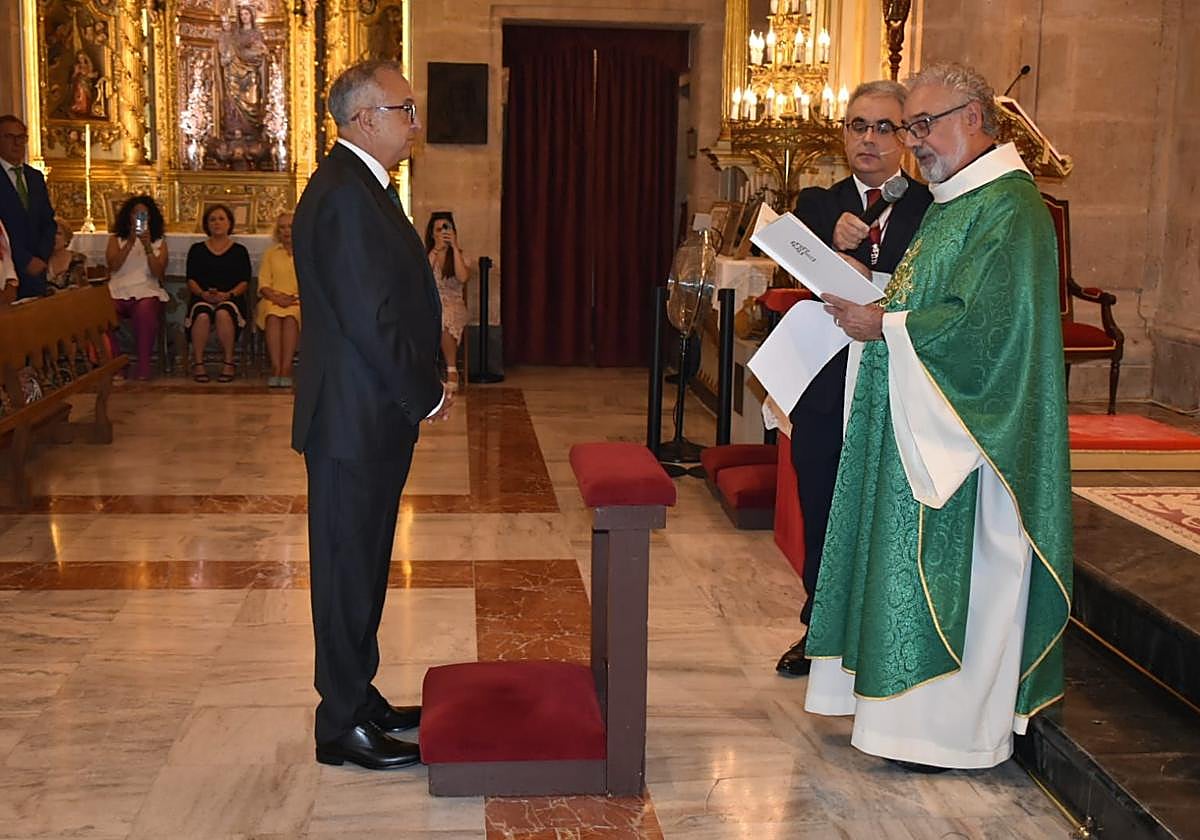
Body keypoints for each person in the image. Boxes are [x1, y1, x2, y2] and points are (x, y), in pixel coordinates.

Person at [807, 62, 1072, 771]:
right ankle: (902, 724)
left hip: (972, 442)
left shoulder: (1010, 208)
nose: (914, 142)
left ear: (975, 118)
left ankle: (949, 733)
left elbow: (986, 329)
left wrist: (886, 326)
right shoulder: (958, 201)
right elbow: (926, 300)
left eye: (924, 125)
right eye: (909, 127)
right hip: (923, 423)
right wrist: (879, 309)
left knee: (968, 581)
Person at [292, 59, 450, 771]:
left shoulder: (363, 187)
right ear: (365, 120)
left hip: (370, 416)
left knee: (363, 564)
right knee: (345, 569)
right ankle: (339, 725)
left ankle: (359, 696)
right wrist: (428, 390)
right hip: (355, 420)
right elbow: (371, 317)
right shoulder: (346, 196)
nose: (415, 122)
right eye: (405, 110)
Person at [776, 80, 932, 678]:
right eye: (857, 126)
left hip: (894, 382)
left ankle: (879, 634)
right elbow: (790, 261)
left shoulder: (930, 207)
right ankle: (817, 629)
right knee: (820, 500)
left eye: (883, 127)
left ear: (908, 139)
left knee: (881, 508)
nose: (868, 138)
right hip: (824, 383)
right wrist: (827, 240)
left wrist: (870, 262)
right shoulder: (818, 203)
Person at [106, 195, 170, 380]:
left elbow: (159, 273)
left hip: (146, 289)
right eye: (135, 214)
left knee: (144, 313)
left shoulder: (159, 242)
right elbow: (113, 266)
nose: (139, 218)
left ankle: (143, 366)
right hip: (118, 289)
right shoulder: (115, 239)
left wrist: (148, 247)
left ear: (151, 218)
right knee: (104, 314)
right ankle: (118, 364)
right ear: (128, 216)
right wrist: (131, 242)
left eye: (144, 215)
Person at [186, 204, 250, 383]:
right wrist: (203, 293)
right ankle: (198, 363)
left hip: (231, 298)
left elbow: (244, 281)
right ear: (207, 224)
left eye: (222, 219)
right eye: (212, 219)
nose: (217, 223)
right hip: (202, 297)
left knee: (223, 313)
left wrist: (228, 295)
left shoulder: (239, 251)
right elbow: (191, 279)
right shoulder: (197, 250)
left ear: (229, 223)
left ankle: (228, 362)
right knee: (203, 315)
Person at [0, 115, 57, 299]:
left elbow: (48, 222)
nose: (17, 144)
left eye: (21, 138)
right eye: (9, 137)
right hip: (7, 272)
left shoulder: (35, 177)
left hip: (37, 270)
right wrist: (24, 260)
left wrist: (41, 257)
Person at [423, 212, 470, 390]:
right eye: (438, 229)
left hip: (453, 302)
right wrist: (436, 250)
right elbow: (423, 278)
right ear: (432, 233)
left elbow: (463, 277)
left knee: (445, 316)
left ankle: (451, 369)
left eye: (446, 228)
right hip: (431, 302)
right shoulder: (427, 255)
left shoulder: (459, 255)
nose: (443, 232)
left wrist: (454, 248)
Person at [256, 211, 300, 387]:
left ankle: (286, 367)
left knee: (290, 318)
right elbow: (264, 282)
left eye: (290, 227)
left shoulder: (307, 251)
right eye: (282, 228)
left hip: (298, 301)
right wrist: (275, 297)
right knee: (272, 317)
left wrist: (293, 298)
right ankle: (276, 367)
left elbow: (312, 281)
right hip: (272, 299)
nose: (286, 231)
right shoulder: (271, 253)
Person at [46, 222, 88, 292]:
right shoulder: (41, 261)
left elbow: (86, 289)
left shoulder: (79, 259)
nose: (53, 237)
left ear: (66, 238)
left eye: (58, 234)